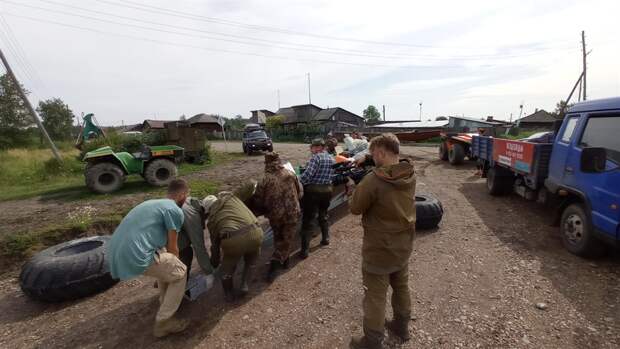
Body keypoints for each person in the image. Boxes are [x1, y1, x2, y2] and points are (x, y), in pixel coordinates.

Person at [346, 133, 416, 348]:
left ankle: (373, 340)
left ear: (382, 153)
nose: (372, 157)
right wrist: (368, 161)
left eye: (373, 154)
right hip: (403, 244)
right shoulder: (409, 172)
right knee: (401, 285)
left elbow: (355, 208)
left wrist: (352, 188)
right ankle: (402, 327)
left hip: (379, 249)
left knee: (375, 295)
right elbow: (387, 169)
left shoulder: (374, 180)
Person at [107, 179, 190, 338]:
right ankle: (164, 322)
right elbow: (173, 247)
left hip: (114, 252)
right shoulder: (174, 210)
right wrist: (176, 264)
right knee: (180, 271)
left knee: (167, 263)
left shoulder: (153, 203)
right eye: (186, 195)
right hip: (135, 254)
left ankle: (164, 301)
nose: (186, 198)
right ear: (181, 194)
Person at [204, 191, 263, 302]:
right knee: (251, 259)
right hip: (256, 232)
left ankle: (229, 294)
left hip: (234, 241)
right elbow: (250, 185)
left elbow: (215, 246)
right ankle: (245, 285)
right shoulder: (232, 199)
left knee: (226, 269)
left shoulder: (212, 220)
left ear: (209, 210)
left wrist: (214, 262)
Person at [254, 152, 303, 281]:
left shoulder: (264, 179)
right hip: (292, 213)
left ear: (267, 163)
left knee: (279, 236)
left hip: (276, 215)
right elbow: (300, 192)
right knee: (287, 238)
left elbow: (258, 200)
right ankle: (282, 261)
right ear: (279, 161)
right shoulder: (291, 174)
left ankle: (276, 264)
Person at [299, 138, 335, 258]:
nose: (311, 149)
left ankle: (304, 250)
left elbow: (308, 176)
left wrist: (297, 180)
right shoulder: (331, 157)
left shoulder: (316, 158)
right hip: (327, 191)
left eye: (313, 147)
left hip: (313, 192)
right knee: (323, 215)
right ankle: (325, 239)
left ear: (319, 147)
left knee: (308, 219)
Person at [178, 197, 214, 279]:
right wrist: (209, 272)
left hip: (159, 237)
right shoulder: (192, 215)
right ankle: (179, 283)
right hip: (168, 243)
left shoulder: (190, 202)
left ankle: (165, 279)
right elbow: (199, 247)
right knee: (186, 253)